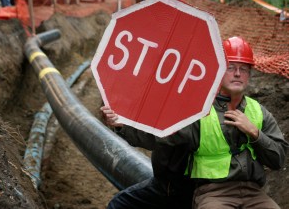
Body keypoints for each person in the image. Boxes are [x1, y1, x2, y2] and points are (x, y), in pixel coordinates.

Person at [102, 36, 288, 209]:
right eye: (231, 68)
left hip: (253, 192)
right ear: (219, 70)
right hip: (211, 192)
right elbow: (159, 135)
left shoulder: (258, 112)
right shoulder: (198, 110)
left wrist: (255, 133)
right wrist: (122, 125)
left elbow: (278, 159)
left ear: (250, 75)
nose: (238, 74)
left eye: (244, 69)